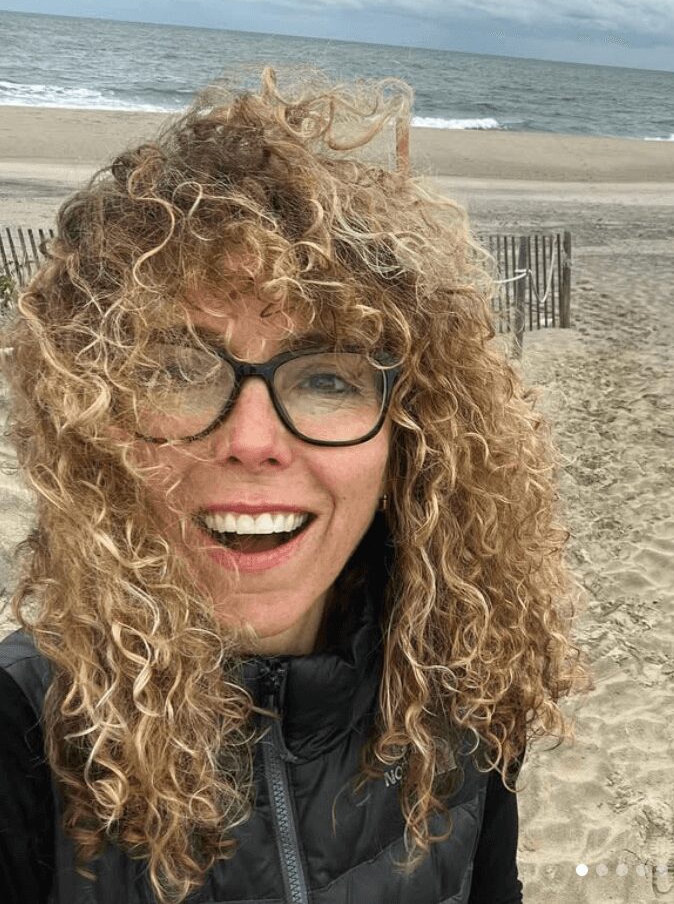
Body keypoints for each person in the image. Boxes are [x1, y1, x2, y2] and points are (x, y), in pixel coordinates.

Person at [0, 68, 589, 903]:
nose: (251, 440)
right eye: (177, 368)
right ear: (95, 421)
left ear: (408, 433)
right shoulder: (24, 735)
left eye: (328, 377)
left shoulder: (463, 684)